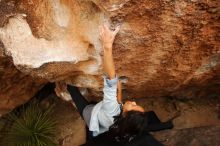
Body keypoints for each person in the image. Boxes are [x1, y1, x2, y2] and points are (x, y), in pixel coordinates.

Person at [55, 23, 178, 146]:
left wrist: (107, 45)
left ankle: (65, 86)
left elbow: (111, 79)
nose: (134, 103)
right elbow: (118, 105)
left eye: (133, 107)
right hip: (102, 125)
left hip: (91, 115)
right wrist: (119, 92)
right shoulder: (124, 126)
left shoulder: (110, 109)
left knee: (75, 95)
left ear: (125, 114)